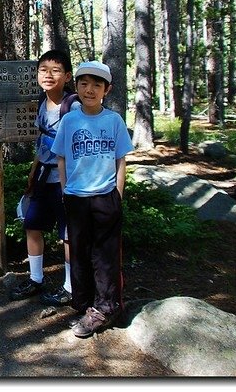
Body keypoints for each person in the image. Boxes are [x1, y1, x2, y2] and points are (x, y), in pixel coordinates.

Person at [50, 61, 133, 338]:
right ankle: (86, 304)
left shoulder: (113, 121)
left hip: (105, 198)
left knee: (106, 257)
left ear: (106, 90)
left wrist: (117, 194)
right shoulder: (69, 121)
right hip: (76, 198)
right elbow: (61, 157)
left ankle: (107, 307)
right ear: (77, 86)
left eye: (97, 85)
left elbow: (120, 159)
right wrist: (65, 191)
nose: (90, 89)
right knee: (80, 253)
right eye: (84, 83)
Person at [9, 49, 78, 307]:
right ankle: (36, 279)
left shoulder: (73, 105)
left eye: (55, 70)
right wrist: (32, 172)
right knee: (32, 224)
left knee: (68, 233)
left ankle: (70, 287)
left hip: (66, 180)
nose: (48, 75)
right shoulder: (41, 101)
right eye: (43, 70)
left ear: (67, 76)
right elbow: (42, 142)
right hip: (43, 176)